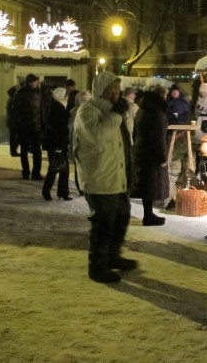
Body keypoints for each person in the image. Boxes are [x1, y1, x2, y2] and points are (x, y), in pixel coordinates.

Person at [73, 71, 135, 283]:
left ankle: (113, 256)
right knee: (103, 224)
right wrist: (117, 115)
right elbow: (98, 136)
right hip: (99, 179)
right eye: (110, 92)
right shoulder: (87, 111)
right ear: (100, 91)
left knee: (121, 219)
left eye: (117, 91)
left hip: (118, 177)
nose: (115, 96)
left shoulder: (114, 113)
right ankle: (97, 267)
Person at [133, 86, 170, 225]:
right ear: (162, 97)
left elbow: (135, 131)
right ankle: (148, 216)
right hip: (152, 153)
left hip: (141, 149)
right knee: (151, 185)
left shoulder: (142, 109)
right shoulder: (157, 113)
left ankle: (148, 214)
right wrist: (162, 157)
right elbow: (159, 137)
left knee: (146, 184)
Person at [42, 87, 72, 201]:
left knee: (63, 169)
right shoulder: (58, 110)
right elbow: (58, 130)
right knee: (54, 169)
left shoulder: (58, 108)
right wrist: (59, 146)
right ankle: (47, 191)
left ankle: (62, 192)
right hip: (57, 144)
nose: (67, 98)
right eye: (65, 96)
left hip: (59, 143)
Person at [14, 74, 44, 180]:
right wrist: (19, 124)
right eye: (36, 81)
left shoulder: (38, 93)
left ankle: (34, 173)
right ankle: (27, 172)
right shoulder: (21, 93)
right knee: (25, 151)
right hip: (26, 127)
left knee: (36, 151)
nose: (37, 83)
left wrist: (42, 124)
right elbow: (16, 110)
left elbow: (41, 110)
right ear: (31, 82)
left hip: (35, 127)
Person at [68, 90, 92, 196]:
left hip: (80, 144)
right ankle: (83, 188)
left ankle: (83, 188)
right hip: (81, 143)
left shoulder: (73, 111)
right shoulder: (79, 112)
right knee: (81, 167)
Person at [121, 87, 140, 196]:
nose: (135, 96)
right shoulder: (133, 106)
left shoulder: (117, 104)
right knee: (130, 164)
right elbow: (139, 122)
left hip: (119, 139)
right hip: (130, 139)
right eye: (134, 94)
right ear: (130, 95)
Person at [6, 86, 19, 157]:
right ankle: (13, 151)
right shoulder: (13, 100)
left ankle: (13, 151)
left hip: (11, 121)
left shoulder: (10, 99)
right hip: (13, 122)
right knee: (15, 137)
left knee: (13, 137)